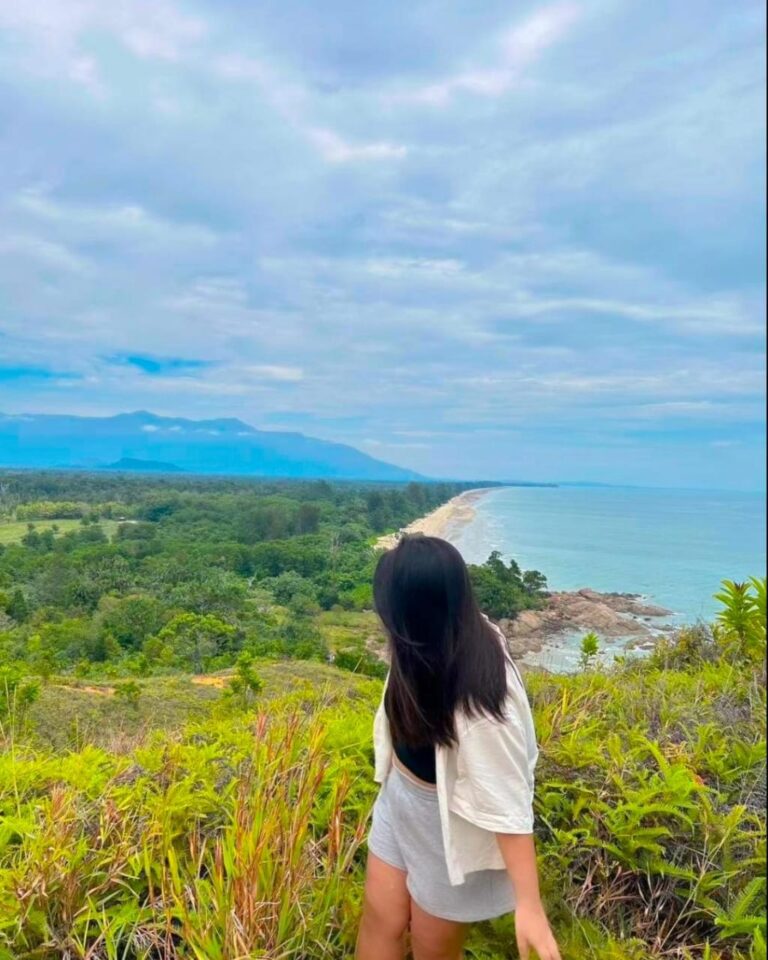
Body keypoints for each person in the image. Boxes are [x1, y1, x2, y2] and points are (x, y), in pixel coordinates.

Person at [356, 534, 561, 960]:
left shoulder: (483, 698)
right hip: (400, 798)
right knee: (380, 920)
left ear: (411, 614)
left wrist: (529, 905)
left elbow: (505, 799)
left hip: (446, 819)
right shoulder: (426, 640)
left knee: (431, 949)